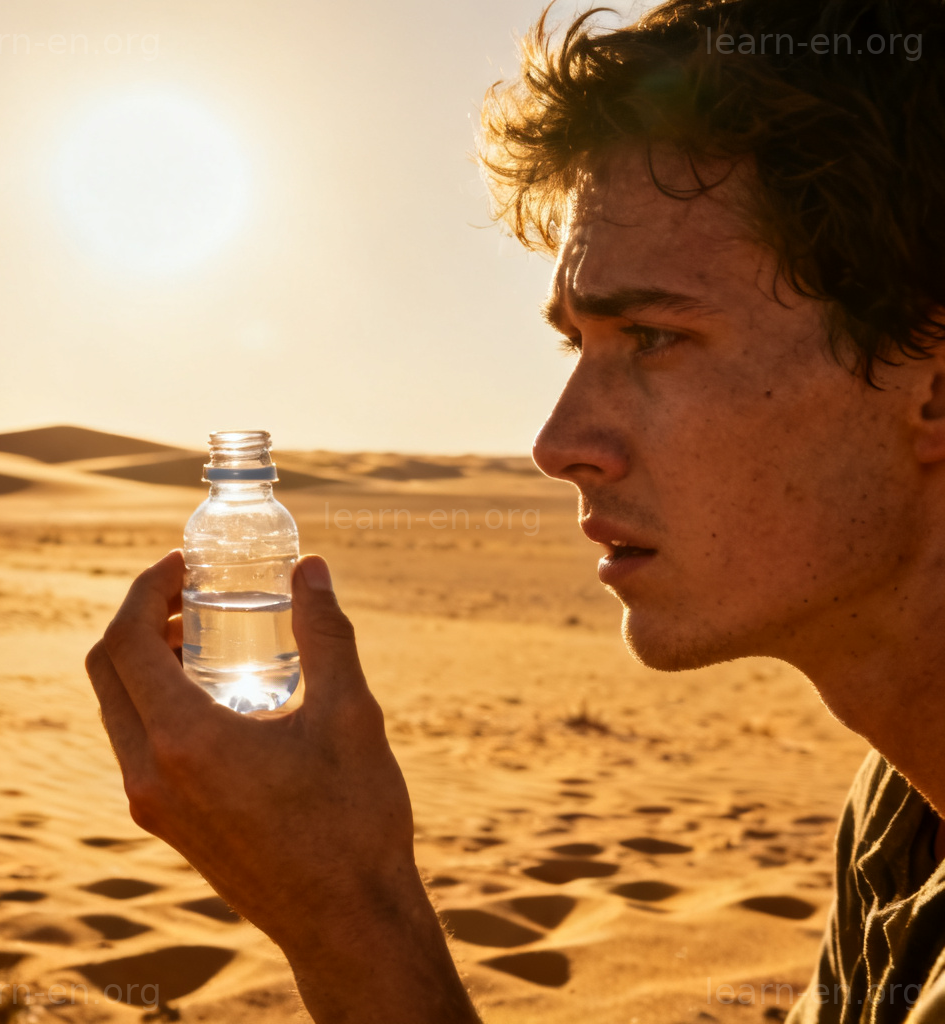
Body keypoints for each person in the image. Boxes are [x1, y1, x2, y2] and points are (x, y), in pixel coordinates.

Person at [85, 0, 945, 1020]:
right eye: (574, 343)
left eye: (653, 339)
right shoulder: (901, 809)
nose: (557, 444)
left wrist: (345, 911)